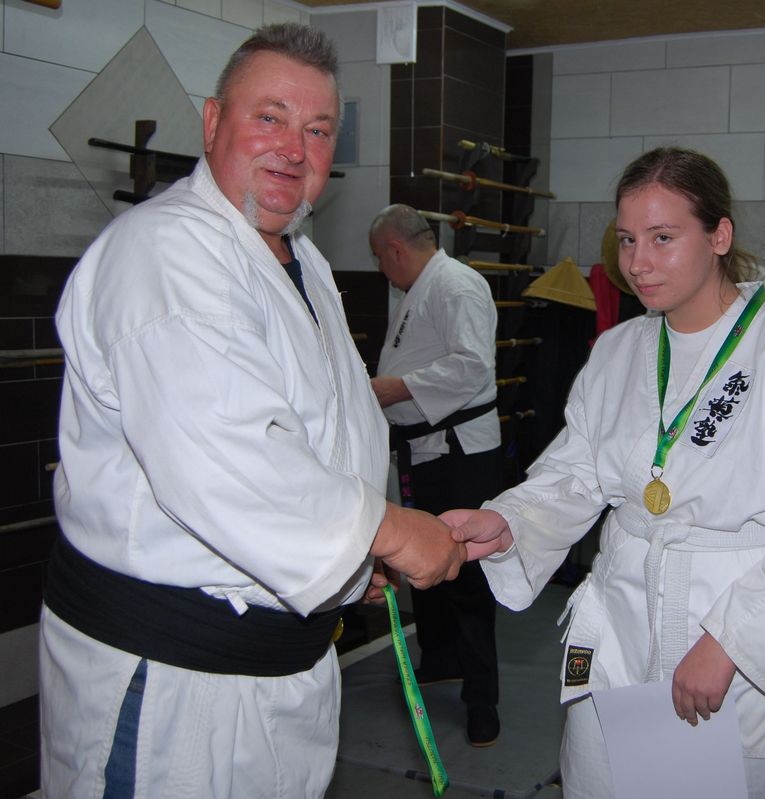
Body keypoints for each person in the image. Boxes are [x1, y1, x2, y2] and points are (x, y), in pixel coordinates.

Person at [40, 24, 463, 798]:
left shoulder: (299, 258)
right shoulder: (166, 252)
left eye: (318, 130)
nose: (293, 149)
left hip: (281, 672)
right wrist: (387, 530)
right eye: (270, 117)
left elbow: (324, 428)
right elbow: (229, 459)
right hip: (171, 685)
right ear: (213, 122)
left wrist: (351, 559)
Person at [441, 147, 765, 798]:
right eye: (627, 239)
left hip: (728, 635)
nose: (637, 262)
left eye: (663, 238)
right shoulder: (620, 350)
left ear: (719, 236)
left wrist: (731, 643)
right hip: (621, 623)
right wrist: (508, 520)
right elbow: (576, 471)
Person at [369, 204, 504, 746]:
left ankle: (482, 698)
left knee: (466, 572)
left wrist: (393, 389)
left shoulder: (456, 285)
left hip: (459, 451)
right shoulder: (424, 286)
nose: (382, 270)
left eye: (380, 259)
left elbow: (472, 366)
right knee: (418, 557)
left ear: (395, 249)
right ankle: (441, 658)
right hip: (425, 448)